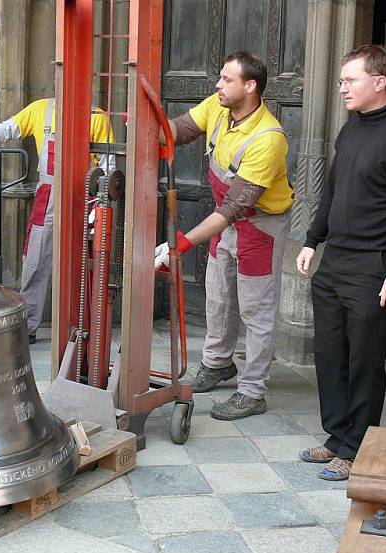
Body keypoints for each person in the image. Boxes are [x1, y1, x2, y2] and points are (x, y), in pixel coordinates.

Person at [297, 45, 386, 481]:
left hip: (374, 267)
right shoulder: (351, 128)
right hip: (334, 261)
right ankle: (337, 436)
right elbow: (332, 191)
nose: (341, 89)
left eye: (349, 81)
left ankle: (356, 447)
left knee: (365, 361)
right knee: (330, 354)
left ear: (380, 82)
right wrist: (312, 240)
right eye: (339, 81)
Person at [157, 51, 294, 420]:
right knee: (218, 297)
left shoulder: (269, 137)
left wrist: (182, 243)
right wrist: (139, 129)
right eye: (219, 77)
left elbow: (235, 208)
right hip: (227, 223)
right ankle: (218, 363)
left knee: (256, 310)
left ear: (249, 87)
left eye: (227, 79)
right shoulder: (218, 108)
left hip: (259, 227)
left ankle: (252, 391)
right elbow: (179, 129)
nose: (218, 84)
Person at [0, 98, 113, 343]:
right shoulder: (40, 109)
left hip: (85, 196)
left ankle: (84, 325)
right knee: (35, 259)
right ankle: (28, 325)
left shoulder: (97, 116)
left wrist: (101, 201)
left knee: (84, 262)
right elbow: (9, 128)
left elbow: (107, 164)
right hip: (48, 196)